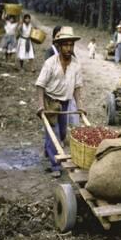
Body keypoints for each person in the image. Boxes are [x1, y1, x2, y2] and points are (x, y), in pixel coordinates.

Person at [35, 26, 86, 177]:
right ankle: (55, 166)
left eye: (71, 45)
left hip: (65, 102)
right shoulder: (50, 63)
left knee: (63, 133)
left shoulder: (76, 64)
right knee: (54, 134)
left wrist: (80, 105)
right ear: (59, 45)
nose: (69, 48)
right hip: (50, 101)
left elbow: (77, 87)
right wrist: (40, 105)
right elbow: (40, 85)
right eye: (65, 45)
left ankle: (48, 148)